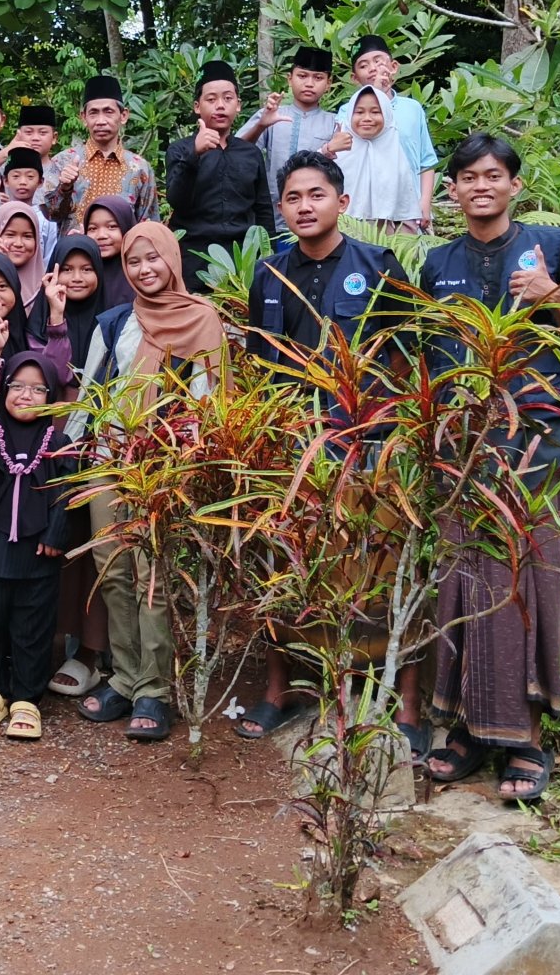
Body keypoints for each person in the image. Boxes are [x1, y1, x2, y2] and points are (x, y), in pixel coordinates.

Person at [417, 133, 560, 803]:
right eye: (468, 177)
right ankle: (464, 728)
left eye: (493, 176)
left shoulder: (551, 248)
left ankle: (524, 737)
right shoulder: (438, 264)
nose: (480, 186)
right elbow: (425, 355)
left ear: (515, 186)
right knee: (461, 581)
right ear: (455, 191)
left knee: (526, 576)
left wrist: (552, 294)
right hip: (460, 447)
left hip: (536, 442)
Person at [235, 150, 416, 742]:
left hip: (363, 444)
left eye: (316, 194)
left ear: (341, 202)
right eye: (293, 197)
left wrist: (386, 430)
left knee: (374, 565)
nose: (304, 206)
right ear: (281, 208)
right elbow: (261, 363)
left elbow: (406, 355)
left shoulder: (378, 264)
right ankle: (279, 689)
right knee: (282, 567)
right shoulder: (269, 272)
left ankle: (390, 697)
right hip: (289, 447)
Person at [66, 222, 228, 741]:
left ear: (172, 260)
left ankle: (155, 689)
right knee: (111, 570)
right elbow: (88, 394)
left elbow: (211, 403)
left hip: (165, 469)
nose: (144, 269)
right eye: (134, 262)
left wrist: (195, 464)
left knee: (152, 576)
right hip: (111, 461)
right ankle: (125, 675)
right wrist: (74, 455)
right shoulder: (115, 321)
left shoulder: (202, 321)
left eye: (152, 258)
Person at [0, 351, 76, 741]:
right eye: (17, 386)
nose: (26, 395)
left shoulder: (59, 440)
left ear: (52, 396)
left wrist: (57, 534)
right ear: (3, 389)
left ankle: (27, 697)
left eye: (37, 388)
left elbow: (69, 491)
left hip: (37, 551)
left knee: (33, 625)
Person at [45, 234, 112, 699]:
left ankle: (91, 651)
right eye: (66, 268)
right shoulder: (38, 312)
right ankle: (46, 642)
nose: (75, 277)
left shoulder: (117, 318)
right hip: (44, 443)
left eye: (85, 268)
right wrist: (53, 319)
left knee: (92, 544)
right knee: (48, 538)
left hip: (97, 440)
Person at [166, 59, 276, 289]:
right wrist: (195, 155)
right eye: (211, 99)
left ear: (238, 105)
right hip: (194, 257)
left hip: (244, 258)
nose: (220, 105)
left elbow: (263, 209)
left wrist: (269, 258)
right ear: (197, 106)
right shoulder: (180, 149)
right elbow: (176, 200)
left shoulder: (251, 153)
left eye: (228, 98)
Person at [238, 46, 352, 239]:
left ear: (328, 83)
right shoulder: (272, 114)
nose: (309, 83)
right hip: (271, 217)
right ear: (289, 78)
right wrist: (261, 125)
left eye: (318, 78)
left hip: (318, 220)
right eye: (302, 76)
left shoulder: (337, 122)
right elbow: (236, 151)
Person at [42, 74, 159, 232]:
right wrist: (65, 188)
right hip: (75, 253)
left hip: (122, 255)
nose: (101, 121)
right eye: (94, 113)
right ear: (84, 118)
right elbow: (50, 215)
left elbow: (149, 225)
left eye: (108, 112)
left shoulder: (140, 168)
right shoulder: (64, 161)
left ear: (123, 116)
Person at [348, 36, 437, 229]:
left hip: (408, 208)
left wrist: (424, 203)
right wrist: (377, 93)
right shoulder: (348, 112)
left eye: (378, 61)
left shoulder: (413, 108)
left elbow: (426, 162)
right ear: (354, 78)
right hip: (368, 210)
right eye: (363, 65)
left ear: (394, 67)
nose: (372, 68)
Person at [334, 85, 425, 231]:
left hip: (388, 238)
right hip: (342, 232)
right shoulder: (337, 152)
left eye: (376, 112)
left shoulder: (396, 157)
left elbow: (405, 213)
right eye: (359, 112)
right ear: (350, 114)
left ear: (387, 115)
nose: (367, 118)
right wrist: (327, 150)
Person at [0, 149, 59, 263]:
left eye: (30, 177)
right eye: (16, 176)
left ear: (40, 181)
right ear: (6, 181)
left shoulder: (47, 219)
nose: (22, 182)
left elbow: (49, 257)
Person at [81, 196, 137, 307]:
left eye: (112, 226)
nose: (101, 235)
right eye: (92, 228)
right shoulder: (79, 275)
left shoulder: (140, 275)